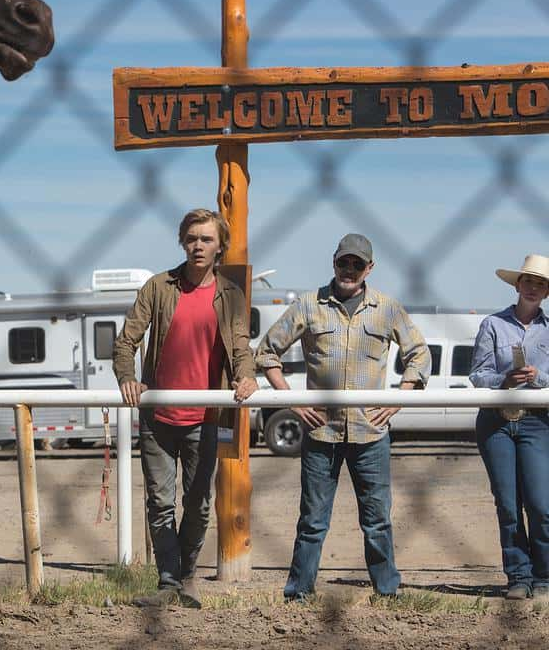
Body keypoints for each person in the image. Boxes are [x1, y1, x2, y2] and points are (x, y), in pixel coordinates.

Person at [255, 233, 430, 601]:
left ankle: (387, 592)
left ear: (370, 268)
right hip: (322, 434)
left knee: (377, 520)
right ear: (334, 262)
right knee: (313, 521)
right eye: (343, 262)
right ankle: (299, 592)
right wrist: (293, 402)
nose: (349, 270)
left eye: (358, 264)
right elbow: (267, 352)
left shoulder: (387, 308)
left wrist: (400, 398)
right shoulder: (308, 306)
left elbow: (419, 354)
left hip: (371, 434)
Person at [112, 208, 258, 608]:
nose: (198, 245)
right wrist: (128, 377)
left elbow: (242, 349)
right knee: (160, 503)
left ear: (219, 247)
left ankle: (188, 575)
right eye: (192, 238)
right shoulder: (159, 287)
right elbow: (126, 342)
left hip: (204, 416)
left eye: (206, 239)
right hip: (158, 416)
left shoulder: (230, 295)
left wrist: (247, 376)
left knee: (199, 504)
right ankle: (167, 582)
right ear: (182, 241)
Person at [469, 254, 549, 600]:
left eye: (541, 284)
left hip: (538, 422)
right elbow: (477, 374)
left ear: (546, 293)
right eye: (528, 281)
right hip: (497, 421)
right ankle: (518, 575)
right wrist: (505, 379)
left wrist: (538, 377)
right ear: (518, 286)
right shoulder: (492, 325)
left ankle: (544, 577)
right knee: (507, 502)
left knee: (542, 504)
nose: (533, 288)